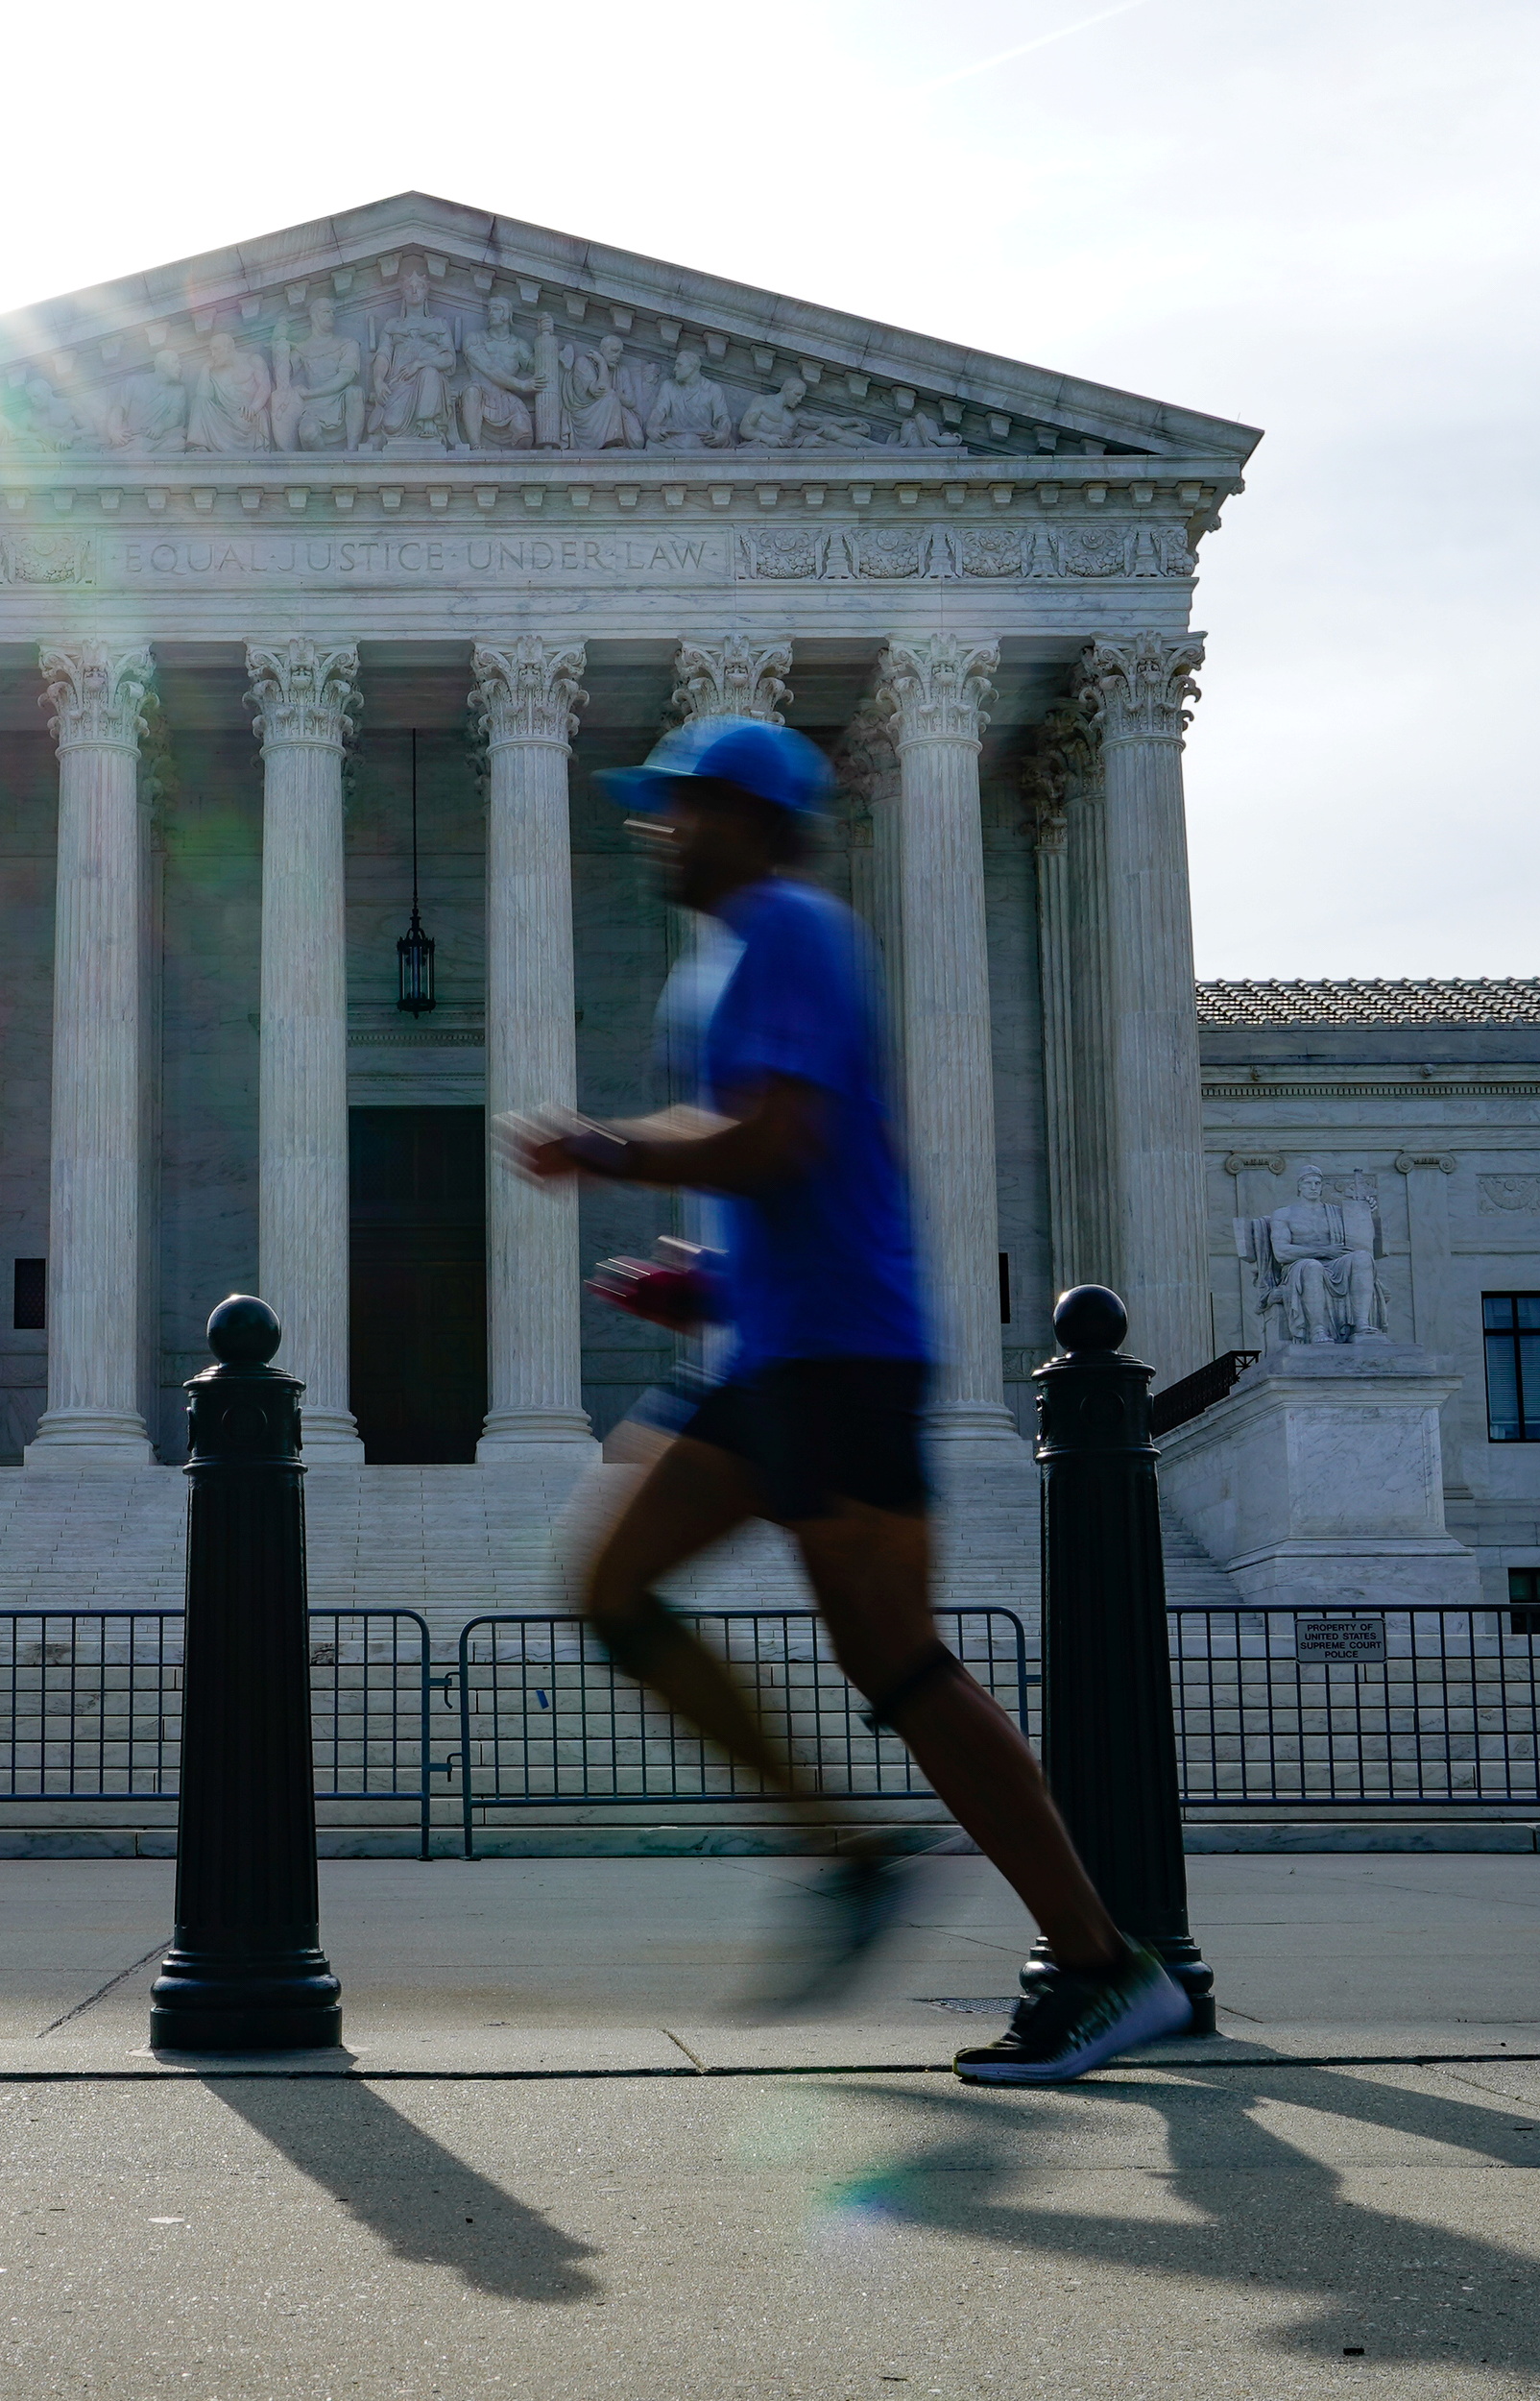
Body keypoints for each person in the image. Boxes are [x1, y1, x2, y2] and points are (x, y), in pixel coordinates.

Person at [508, 715, 1191, 2085]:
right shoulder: (726, 961)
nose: (658, 829)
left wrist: (602, 1147)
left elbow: (780, 1137)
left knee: (897, 1661)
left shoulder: (794, 935)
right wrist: (706, 1281)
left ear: (750, 822)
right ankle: (851, 1849)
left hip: (846, 1358)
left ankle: (1102, 1964)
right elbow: (791, 1172)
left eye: (682, 809)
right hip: (772, 1353)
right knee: (610, 1590)